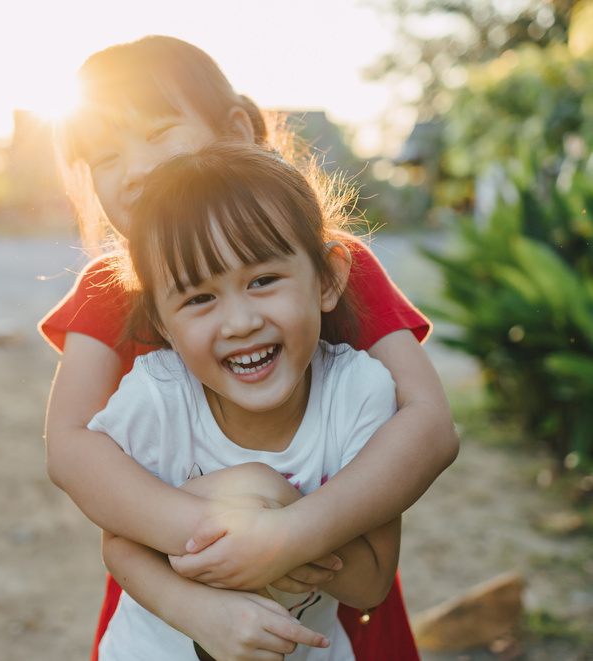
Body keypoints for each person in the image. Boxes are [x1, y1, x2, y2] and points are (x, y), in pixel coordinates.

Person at [38, 35, 459, 660]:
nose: (135, 167)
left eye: (158, 132)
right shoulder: (113, 289)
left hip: (333, 584)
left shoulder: (324, 261)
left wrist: (288, 534)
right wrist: (219, 541)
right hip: (181, 588)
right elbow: (71, 447)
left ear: (236, 129)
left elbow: (429, 424)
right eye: (105, 154)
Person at [90, 142, 402, 660]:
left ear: (327, 278)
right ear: (162, 322)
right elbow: (120, 542)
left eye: (263, 280)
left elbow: (371, 583)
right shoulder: (157, 397)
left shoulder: (359, 394)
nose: (240, 322)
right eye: (199, 298)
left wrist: (278, 511)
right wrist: (198, 612)